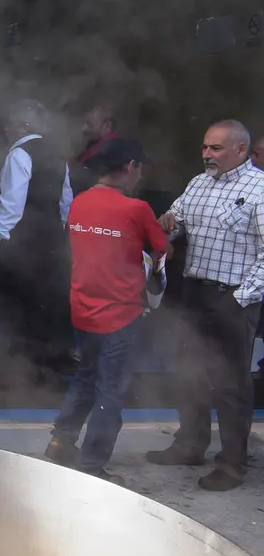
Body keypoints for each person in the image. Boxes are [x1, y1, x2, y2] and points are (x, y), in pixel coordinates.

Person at [44, 139, 171, 484]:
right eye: (139, 168)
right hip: (121, 315)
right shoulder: (137, 209)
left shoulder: (80, 203)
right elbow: (163, 252)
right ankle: (91, 467)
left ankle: (60, 443)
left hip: (83, 310)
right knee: (110, 391)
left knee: (85, 378)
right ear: (130, 167)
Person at [147, 121, 264, 491]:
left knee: (230, 385)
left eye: (215, 149)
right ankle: (189, 445)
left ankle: (232, 465)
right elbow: (176, 220)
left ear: (240, 150)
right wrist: (168, 224)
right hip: (193, 294)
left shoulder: (260, 190)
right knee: (188, 373)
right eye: (204, 147)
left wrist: (240, 298)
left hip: (232, 298)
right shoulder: (197, 184)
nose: (206, 155)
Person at [0, 99, 76, 372]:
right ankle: (46, 369)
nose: (6, 129)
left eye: (11, 123)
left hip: (21, 245)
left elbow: (12, 207)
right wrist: (58, 238)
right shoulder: (58, 156)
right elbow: (66, 204)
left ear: (24, 126)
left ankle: (15, 369)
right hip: (51, 243)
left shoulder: (19, 154)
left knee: (15, 310)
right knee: (45, 306)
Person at [71, 103, 119, 195]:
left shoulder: (112, 152)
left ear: (107, 126)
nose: (84, 129)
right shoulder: (94, 145)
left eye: (90, 124)